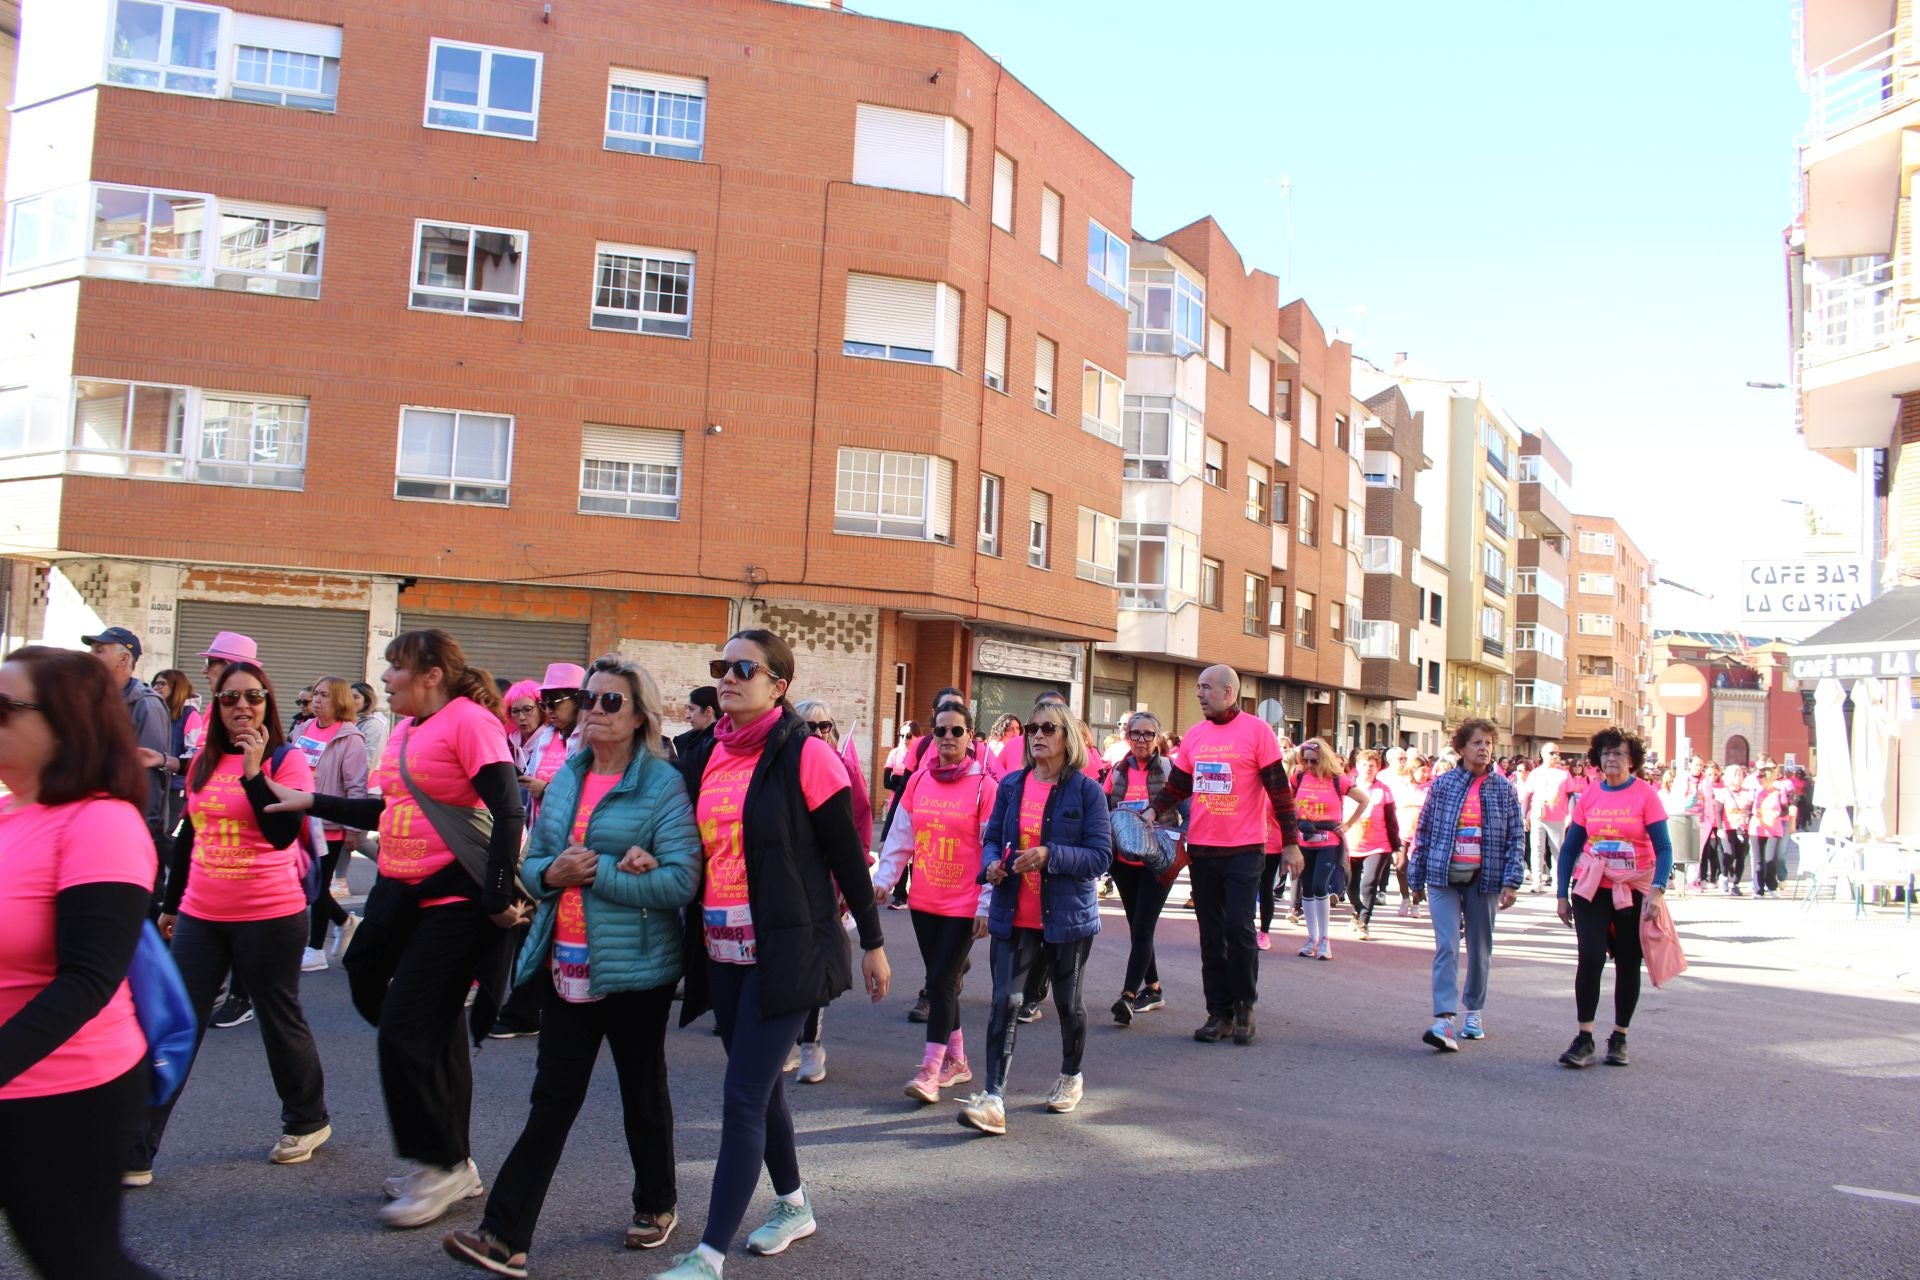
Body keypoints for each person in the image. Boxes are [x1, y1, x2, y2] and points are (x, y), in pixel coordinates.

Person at [262, 629, 528, 1230]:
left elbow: (509, 807)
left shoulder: (469, 722)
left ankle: (441, 1164)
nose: (384, 678)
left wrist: (494, 896)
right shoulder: (409, 730)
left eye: (394, 666)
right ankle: (449, 1155)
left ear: (431, 673)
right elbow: (389, 810)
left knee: (407, 1029)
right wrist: (307, 802)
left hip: (455, 898)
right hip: (399, 891)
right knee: (378, 991)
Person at [443, 657, 701, 1275]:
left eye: (611, 702)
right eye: (588, 700)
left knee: (642, 1092)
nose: (593, 711)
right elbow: (539, 864)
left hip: (638, 968)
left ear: (640, 716)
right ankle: (505, 1235)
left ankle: (656, 1202)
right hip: (567, 962)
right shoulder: (564, 779)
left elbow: (682, 879)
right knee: (552, 1098)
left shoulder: (661, 785)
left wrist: (601, 873)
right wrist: (548, 874)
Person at [656, 629, 890, 1280]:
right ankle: (793, 1205)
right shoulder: (707, 754)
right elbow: (689, 839)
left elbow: (846, 856)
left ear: (778, 686)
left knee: (742, 1093)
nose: (727, 677)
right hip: (721, 951)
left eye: (743, 668)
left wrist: (872, 943)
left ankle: (707, 1257)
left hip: (787, 952)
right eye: (721, 668)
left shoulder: (806, 756)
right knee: (760, 1092)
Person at [129, 660, 331, 1184]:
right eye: (229, 698)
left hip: (270, 913)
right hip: (201, 912)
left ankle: (307, 1119)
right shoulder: (202, 761)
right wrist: (172, 905)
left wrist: (253, 773)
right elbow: (190, 838)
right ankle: (137, 1147)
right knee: (176, 1023)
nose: (242, 706)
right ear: (216, 707)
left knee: (277, 1016)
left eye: (253, 697)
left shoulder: (287, 762)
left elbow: (282, 839)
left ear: (268, 702)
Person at [0, 647, 163, 1280]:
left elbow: (89, 980)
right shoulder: (13, 813)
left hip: (63, 1091)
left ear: (65, 720)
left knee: (81, 1265)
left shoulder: (102, 823)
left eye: (5, 707)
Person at [956, 698, 1110, 1135]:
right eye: (1031, 728)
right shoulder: (1011, 786)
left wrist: (1050, 855)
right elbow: (992, 840)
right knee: (1005, 1002)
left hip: (1066, 918)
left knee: (1067, 1003)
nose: (1037, 735)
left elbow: (1100, 856)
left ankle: (1071, 1074)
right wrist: (992, 864)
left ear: (1068, 738)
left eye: (1048, 728)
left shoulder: (1087, 791)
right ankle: (994, 1098)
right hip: (1014, 911)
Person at [1148, 666, 1300, 1047]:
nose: (1199, 694)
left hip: (1245, 849)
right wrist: (1153, 810)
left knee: (1239, 928)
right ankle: (1219, 1013)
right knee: (1211, 935)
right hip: (1203, 848)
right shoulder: (1196, 736)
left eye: (1206, 688)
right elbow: (1178, 785)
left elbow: (1280, 791)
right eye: (1197, 687)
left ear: (1229, 691)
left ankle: (1245, 1003)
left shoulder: (1256, 732)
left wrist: (1291, 842)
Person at [873, 699, 994, 1102]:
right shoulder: (918, 781)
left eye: (956, 731)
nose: (947, 738)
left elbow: (992, 848)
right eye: (940, 731)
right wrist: (885, 879)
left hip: (964, 903)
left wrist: (986, 905)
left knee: (940, 982)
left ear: (970, 737)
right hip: (925, 901)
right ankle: (957, 1061)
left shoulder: (984, 786)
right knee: (944, 984)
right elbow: (901, 838)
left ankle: (929, 1071)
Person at [1554, 726, 1673, 1069]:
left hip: (1634, 888)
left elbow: (1664, 848)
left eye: (1618, 753)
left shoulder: (1646, 796)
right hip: (1593, 887)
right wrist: (1562, 893)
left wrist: (1657, 889)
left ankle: (1619, 1036)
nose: (1611, 758)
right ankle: (1584, 1037)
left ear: (1632, 760)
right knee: (1590, 957)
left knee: (1626, 961)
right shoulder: (1590, 794)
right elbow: (1570, 848)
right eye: (1606, 752)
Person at [1409, 718, 1524, 1052]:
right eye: (1477, 742)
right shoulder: (1443, 784)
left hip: (1483, 880)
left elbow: (1516, 837)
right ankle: (1445, 1018)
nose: (1484, 748)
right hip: (1443, 876)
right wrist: (1416, 878)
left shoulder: (1503, 788)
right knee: (1446, 946)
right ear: (1461, 747)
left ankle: (1473, 1012)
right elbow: (1425, 831)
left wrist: (1511, 880)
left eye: (1488, 742)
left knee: (1479, 949)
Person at [1104, 711, 1182, 1025]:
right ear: (1127, 737)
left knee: (1144, 926)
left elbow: (1187, 809)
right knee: (1138, 926)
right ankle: (1154, 987)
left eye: (1148, 734)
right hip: (1124, 862)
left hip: (1157, 861)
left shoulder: (1168, 769)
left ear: (1156, 739)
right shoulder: (1117, 771)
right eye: (1135, 734)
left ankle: (1128, 995)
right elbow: (1104, 807)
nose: (1141, 740)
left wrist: (1185, 842)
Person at [298, 677, 369, 973]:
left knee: (316, 887)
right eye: (315, 694)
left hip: (331, 825)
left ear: (338, 700)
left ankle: (315, 949)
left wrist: (354, 829)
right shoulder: (303, 729)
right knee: (306, 884)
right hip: (302, 818)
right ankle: (345, 921)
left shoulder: (350, 738)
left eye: (324, 695)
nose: (316, 700)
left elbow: (356, 787)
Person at [84, 626, 171, 852]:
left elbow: (148, 775)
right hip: (93, 820)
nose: (91, 657)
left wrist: (142, 831)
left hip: (127, 831)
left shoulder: (146, 705)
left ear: (124, 659)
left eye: (99, 650)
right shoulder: (96, 700)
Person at [1289, 737, 1369, 960]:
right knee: (1306, 886)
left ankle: (1325, 939)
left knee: (1319, 885)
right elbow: (1288, 800)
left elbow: (1363, 800)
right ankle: (1311, 938)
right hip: (1305, 837)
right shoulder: (1299, 776)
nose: (1309, 765)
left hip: (1329, 839)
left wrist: (1348, 824)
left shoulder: (1338, 780)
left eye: (1314, 761)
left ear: (1323, 759)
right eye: (1305, 761)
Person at [519, 664, 588, 822]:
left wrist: (546, 791)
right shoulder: (547, 737)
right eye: (544, 705)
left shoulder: (589, 740)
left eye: (554, 703)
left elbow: (589, 795)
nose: (549, 711)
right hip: (539, 835)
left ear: (577, 700)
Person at [1345, 750, 1400, 940]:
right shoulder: (1347, 785)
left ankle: (1364, 922)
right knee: (1350, 883)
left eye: (1372, 766)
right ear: (1357, 767)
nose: (1368, 769)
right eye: (1365, 765)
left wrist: (1396, 845)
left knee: (1369, 883)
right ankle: (1356, 910)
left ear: (1378, 768)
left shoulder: (1383, 790)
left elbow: (1391, 818)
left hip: (1378, 844)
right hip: (1351, 843)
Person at [1525, 746, 1573, 894]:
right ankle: (1537, 882)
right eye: (1551, 753)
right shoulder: (1535, 773)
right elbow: (1527, 795)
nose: (1555, 756)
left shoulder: (1563, 774)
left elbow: (1571, 795)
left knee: (1557, 850)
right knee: (1537, 848)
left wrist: (1570, 814)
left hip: (1557, 816)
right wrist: (1523, 816)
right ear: (1543, 754)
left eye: (1557, 753)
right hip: (1538, 815)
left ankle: (1558, 881)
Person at [1749, 765, 1794, 897]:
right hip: (1757, 828)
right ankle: (1758, 889)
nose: (1759, 780)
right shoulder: (1756, 791)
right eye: (1758, 777)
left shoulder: (1778, 791)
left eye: (1761, 777)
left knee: (1770, 859)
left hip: (1773, 828)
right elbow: (1748, 806)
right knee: (1758, 861)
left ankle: (1771, 886)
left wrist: (1777, 814)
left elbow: (1786, 808)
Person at [1716, 763, 1754, 894]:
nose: (1738, 777)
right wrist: (1720, 828)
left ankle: (1735, 883)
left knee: (1741, 857)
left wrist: (1749, 817)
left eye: (1740, 774)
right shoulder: (1723, 792)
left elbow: (1751, 809)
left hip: (1742, 828)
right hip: (1728, 828)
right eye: (1735, 774)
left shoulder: (1748, 793)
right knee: (1729, 854)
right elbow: (1718, 811)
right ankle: (1724, 876)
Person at [673, 687, 719, 782]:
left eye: (692, 709)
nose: (687, 716)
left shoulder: (719, 745)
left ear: (708, 711)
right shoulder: (688, 742)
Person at [353, 680, 391, 771]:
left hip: (366, 778)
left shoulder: (374, 724)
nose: (350, 701)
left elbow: (369, 760)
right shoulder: (355, 720)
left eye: (356, 697)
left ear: (367, 701)